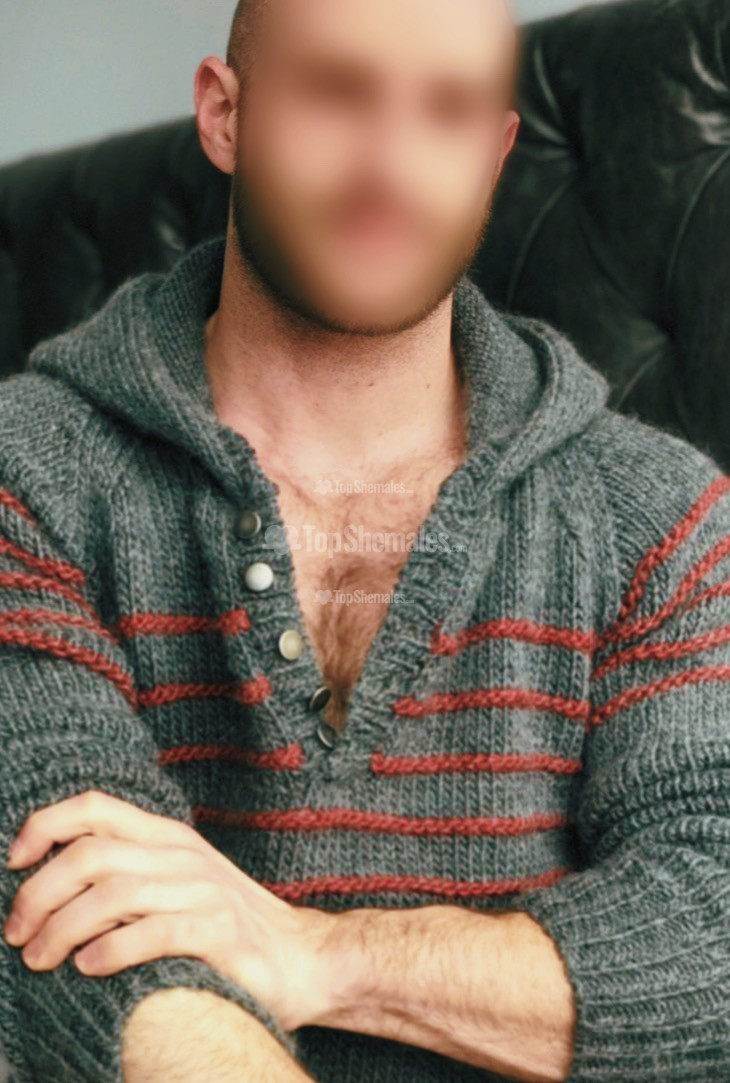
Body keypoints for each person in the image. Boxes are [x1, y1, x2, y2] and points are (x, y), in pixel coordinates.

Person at [1, 0, 730, 1080]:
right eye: (338, 94)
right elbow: (58, 903)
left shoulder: (659, 513)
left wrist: (317, 954)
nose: (391, 166)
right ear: (225, 115)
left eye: (447, 112)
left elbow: (712, 919)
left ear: (495, 154)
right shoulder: (29, 472)